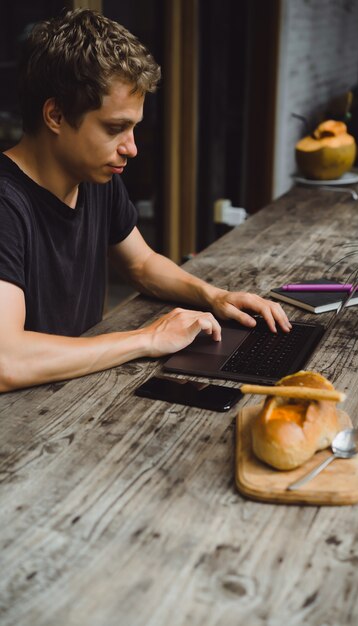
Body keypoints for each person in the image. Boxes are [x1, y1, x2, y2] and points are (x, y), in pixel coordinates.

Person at [0, 9, 291, 393]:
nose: (131, 148)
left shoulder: (94, 176)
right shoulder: (7, 203)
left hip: (73, 393)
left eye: (134, 128)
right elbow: (7, 360)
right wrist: (147, 339)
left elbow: (140, 263)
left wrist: (214, 296)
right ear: (55, 114)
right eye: (115, 128)